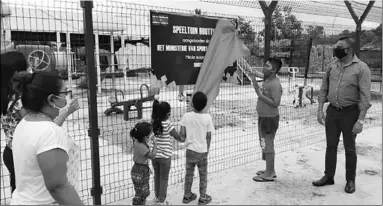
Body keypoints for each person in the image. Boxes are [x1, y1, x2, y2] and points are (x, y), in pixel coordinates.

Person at [10, 71, 83, 205]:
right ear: (51, 99)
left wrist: (66, 112)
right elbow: (58, 187)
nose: (67, 98)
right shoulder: (50, 133)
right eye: (64, 93)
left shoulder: (25, 123)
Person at [313, 36, 371, 194]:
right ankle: (328, 176)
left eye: (339, 46)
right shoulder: (332, 65)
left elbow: (365, 97)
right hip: (332, 111)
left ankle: (350, 180)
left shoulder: (362, 68)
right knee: (330, 146)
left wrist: (361, 120)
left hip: (351, 113)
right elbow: (324, 88)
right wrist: (319, 109)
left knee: (349, 148)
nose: (335, 48)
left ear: (349, 50)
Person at [179, 91, 214, 205]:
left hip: (190, 150)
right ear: (205, 105)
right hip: (202, 152)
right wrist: (207, 149)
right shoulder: (207, 118)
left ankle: (187, 196)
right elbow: (208, 136)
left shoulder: (186, 116)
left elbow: (182, 135)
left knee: (189, 174)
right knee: (203, 175)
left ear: (192, 104)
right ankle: (203, 198)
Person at [251, 58, 283, 182]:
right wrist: (253, 79)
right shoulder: (268, 80)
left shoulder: (275, 84)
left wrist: (260, 96)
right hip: (263, 118)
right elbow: (259, 91)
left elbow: (276, 103)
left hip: (269, 119)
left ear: (273, 70)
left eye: (267, 66)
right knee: (263, 143)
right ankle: (269, 169)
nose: (264, 67)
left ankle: (269, 173)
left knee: (267, 144)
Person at [1, 51, 28, 193]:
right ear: (17, 73)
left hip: (10, 151)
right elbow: (34, 124)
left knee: (17, 191)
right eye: (27, 69)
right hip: (20, 155)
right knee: (25, 194)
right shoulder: (17, 101)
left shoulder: (5, 94)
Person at [151, 99, 183, 205]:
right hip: (165, 157)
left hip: (155, 156)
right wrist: (184, 137)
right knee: (164, 178)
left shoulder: (153, 123)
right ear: (167, 114)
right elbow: (177, 137)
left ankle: (157, 197)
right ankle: (162, 201)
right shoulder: (168, 124)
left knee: (157, 176)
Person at [130, 122, 157, 205]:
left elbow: (146, 143)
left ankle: (141, 202)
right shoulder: (140, 146)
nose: (152, 134)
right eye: (151, 133)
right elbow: (152, 156)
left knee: (142, 191)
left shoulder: (138, 141)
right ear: (145, 137)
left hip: (141, 168)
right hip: (140, 170)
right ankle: (138, 203)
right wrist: (155, 144)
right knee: (141, 192)